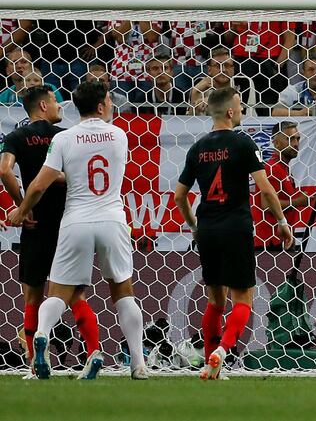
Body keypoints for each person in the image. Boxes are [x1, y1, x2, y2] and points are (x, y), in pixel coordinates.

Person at [7, 80, 149, 380]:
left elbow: (39, 184)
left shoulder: (65, 139)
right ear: (101, 106)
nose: (111, 104)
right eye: (109, 100)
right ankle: (138, 365)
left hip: (75, 221)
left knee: (57, 294)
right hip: (112, 218)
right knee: (123, 292)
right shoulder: (119, 135)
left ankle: (42, 335)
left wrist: (21, 210)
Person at [174, 86, 293, 380]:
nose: (242, 111)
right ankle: (222, 351)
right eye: (240, 106)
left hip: (208, 230)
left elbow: (179, 197)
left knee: (215, 301)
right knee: (243, 299)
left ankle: (209, 364)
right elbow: (265, 188)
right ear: (230, 112)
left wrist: (193, 228)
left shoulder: (197, 148)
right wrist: (282, 221)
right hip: (236, 227)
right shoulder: (243, 143)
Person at [0, 85, 101, 380]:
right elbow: (81, 176)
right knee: (75, 294)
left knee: (32, 296)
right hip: (68, 224)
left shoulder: (16, 138)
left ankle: (33, 364)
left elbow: (5, 170)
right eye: (56, 101)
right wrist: (59, 177)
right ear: (43, 106)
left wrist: (22, 207)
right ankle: (94, 353)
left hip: (35, 226)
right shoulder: (67, 136)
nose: (60, 106)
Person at [226, 0, 295, 114]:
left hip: (270, 62)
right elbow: (227, 37)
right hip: (242, 61)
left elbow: (290, 38)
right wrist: (234, 28)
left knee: (270, 112)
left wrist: (278, 65)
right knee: (240, 111)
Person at [257, 121, 314, 249]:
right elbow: (266, 205)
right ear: (276, 143)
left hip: (282, 238)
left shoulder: (284, 169)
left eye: (297, 139)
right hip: (272, 241)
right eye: (290, 139)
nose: (296, 143)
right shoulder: (272, 169)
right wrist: (298, 201)